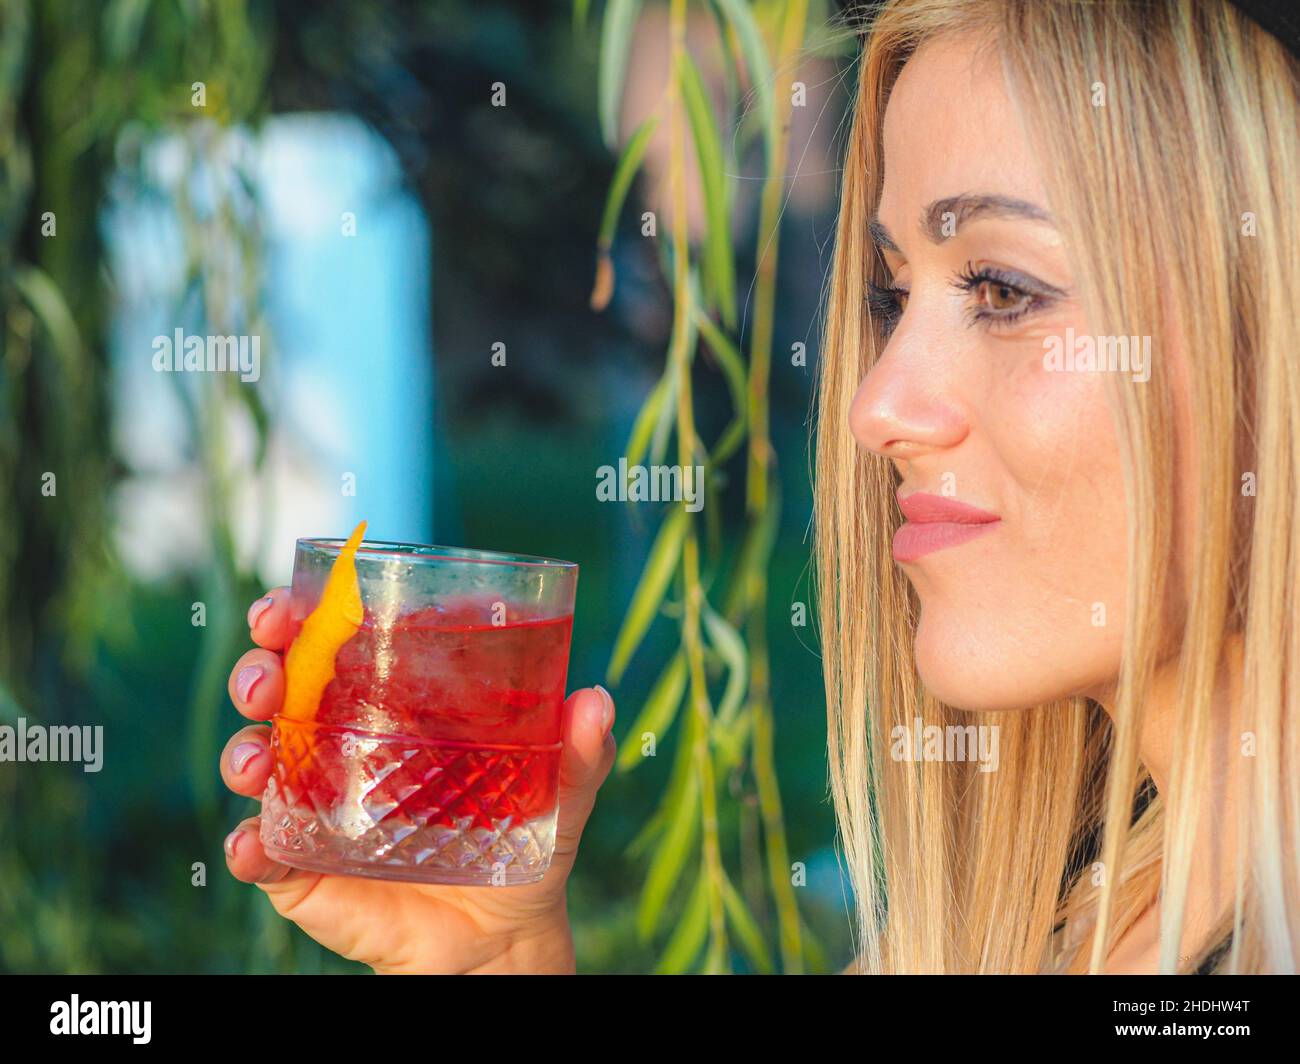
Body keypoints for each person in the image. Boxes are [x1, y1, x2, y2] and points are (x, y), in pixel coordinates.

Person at [221, 0, 1300, 974]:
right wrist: (494, 960)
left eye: (1003, 288)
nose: (874, 405)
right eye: (888, 295)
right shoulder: (1034, 934)